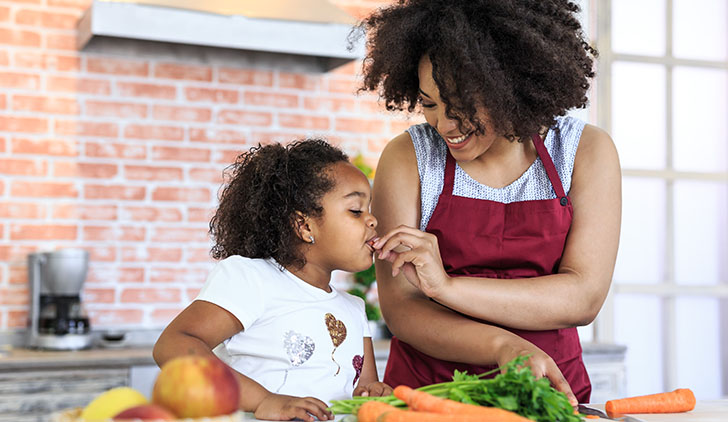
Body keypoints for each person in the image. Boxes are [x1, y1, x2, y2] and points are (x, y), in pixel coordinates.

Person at [358, 0, 622, 405]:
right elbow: (402, 308)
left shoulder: (585, 151)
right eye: (430, 104)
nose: (444, 125)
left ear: (511, 86)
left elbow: (583, 297)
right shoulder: (409, 157)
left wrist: (446, 287)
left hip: (546, 395)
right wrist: (503, 345)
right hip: (427, 400)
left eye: (462, 107)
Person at [153, 139, 392, 422]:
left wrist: (372, 394)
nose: (372, 220)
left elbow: (360, 392)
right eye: (356, 210)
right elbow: (173, 344)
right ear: (304, 226)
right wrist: (263, 400)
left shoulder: (354, 308)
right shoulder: (251, 278)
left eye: (369, 209)